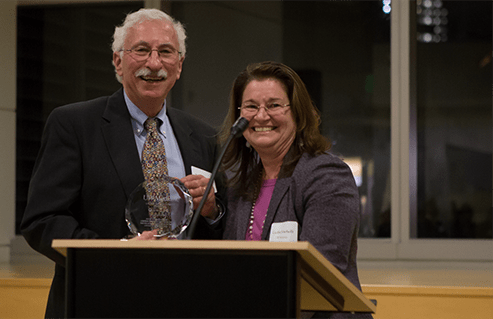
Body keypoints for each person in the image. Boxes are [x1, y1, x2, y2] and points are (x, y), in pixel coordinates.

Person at [20, 8, 225, 318]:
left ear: (179, 65)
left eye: (166, 52)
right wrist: (116, 251)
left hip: (183, 301)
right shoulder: (74, 125)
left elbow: (218, 228)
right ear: (118, 61)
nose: (154, 63)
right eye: (141, 50)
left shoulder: (204, 137)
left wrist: (212, 211)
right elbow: (42, 221)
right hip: (98, 300)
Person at [220, 61, 373, 319]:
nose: (261, 116)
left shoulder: (326, 175)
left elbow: (320, 275)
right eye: (251, 106)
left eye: (274, 105)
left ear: (297, 114)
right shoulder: (241, 185)